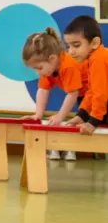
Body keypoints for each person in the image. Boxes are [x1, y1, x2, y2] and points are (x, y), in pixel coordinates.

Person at [21, 27, 87, 160]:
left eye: (39, 68)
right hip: (85, 94)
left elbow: (72, 94)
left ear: (52, 59)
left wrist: (60, 117)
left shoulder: (68, 65)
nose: (37, 72)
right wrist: (37, 115)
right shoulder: (49, 69)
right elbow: (43, 90)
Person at [63, 15, 108, 135]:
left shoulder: (99, 59)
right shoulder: (93, 59)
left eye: (76, 45)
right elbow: (92, 91)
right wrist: (82, 115)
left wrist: (93, 122)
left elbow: (100, 93)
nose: (71, 51)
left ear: (94, 42)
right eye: (68, 46)